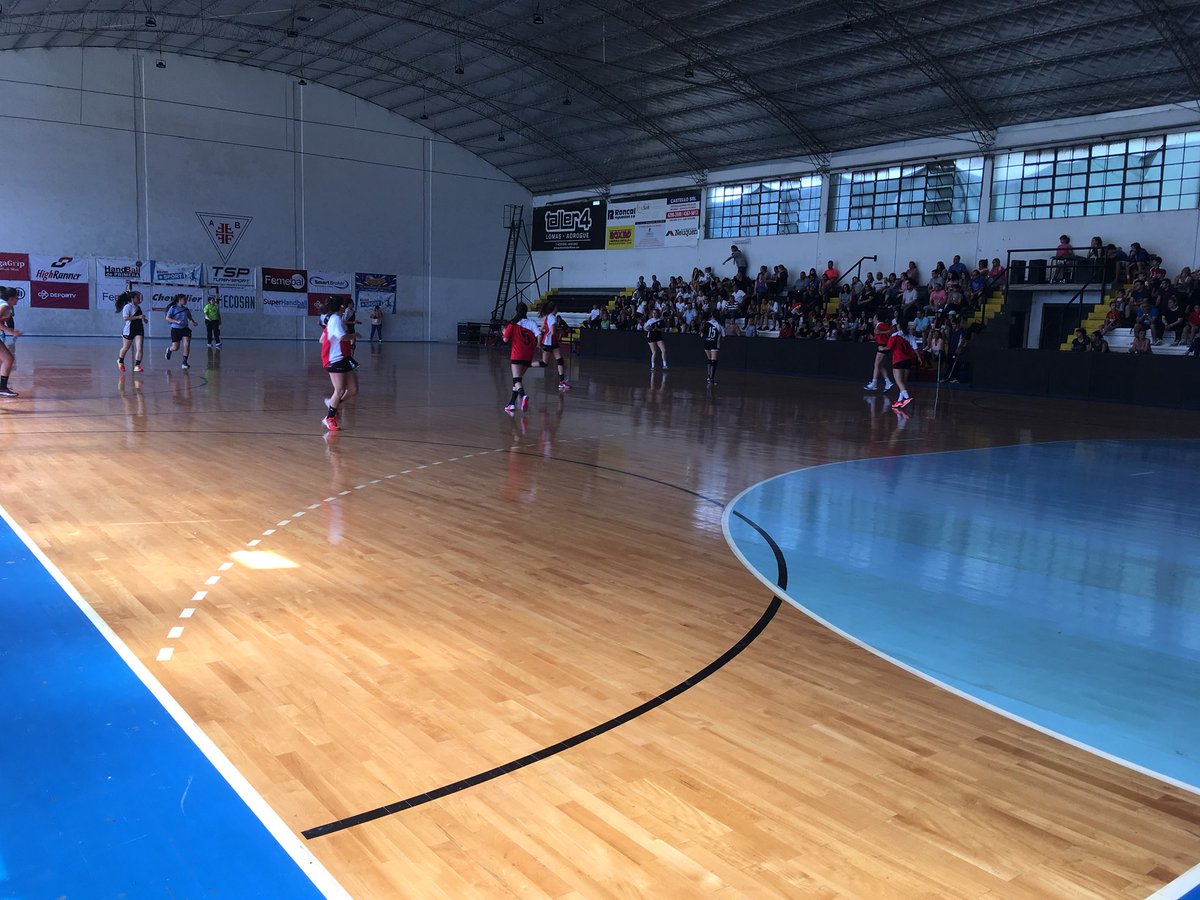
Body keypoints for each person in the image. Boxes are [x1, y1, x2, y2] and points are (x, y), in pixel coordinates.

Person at [319, 296, 358, 431]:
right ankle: (329, 418)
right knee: (340, 390)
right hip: (335, 359)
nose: (345, 307)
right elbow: (342, 337)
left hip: (344, 357)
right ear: (341, 306)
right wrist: (354, 335)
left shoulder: (335, 320)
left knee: (353, 390)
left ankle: (332, 404)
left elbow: (322, 339)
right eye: (343, 305)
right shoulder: (335, 320)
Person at [501, 302, 539, 413]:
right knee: (518, 380)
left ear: (516, 311)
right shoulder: (532, 323)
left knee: (516, 379)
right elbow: (538, 335)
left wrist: (504, 332)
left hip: (517, 354)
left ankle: (523, 395)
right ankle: (511, 404)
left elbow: (505, 339)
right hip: (528, 355)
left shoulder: (512, 324)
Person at [535, 300, 570, 391]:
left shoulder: (548, 317)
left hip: (552, 342)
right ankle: (527, 365)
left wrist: (546, 331)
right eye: (556, 307)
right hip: (548, 342)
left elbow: (542, 328)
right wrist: (559, 331)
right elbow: (553, 332)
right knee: (544, 363)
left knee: (560, 360)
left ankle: (562, 382)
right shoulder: (552, 318)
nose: (557, 308)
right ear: (554, 308)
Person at [886, 323, 917, 409]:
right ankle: (900, 400)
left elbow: (889, 347)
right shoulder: (909, 335)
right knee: (903, 381)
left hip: (898, 359)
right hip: (908, 360)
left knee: (898, 381)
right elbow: (915, 348)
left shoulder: (895, 335)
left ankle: (907, 398)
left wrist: (881, 349)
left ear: (898, 326)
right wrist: (919, 358)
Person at [116, 290, 147, 373]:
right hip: (129, 330)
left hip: (139, 329)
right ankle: (120, 361)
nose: (139, 299)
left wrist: (144, 319)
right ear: (133, 298)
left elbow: (139, 317)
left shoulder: (138, 307)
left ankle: (137, 365)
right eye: (137, 297)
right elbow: (125, 318)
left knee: (139, 348)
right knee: (126, 348)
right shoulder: (128, 307)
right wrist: (138, 317)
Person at [164, 294, 197, 369]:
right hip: (175, 329)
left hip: (185, 329)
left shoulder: (186, 309)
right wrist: (176, 321)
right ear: (179, 299)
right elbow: (167, 318)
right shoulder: (173, 308)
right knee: (176, 348)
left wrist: (193, 322)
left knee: (187, 344)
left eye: (186, 299)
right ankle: (169, 350)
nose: (186, 301)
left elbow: (189, 318)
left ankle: (184, 362)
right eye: (184, 299)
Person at [864, 312, 895, 392]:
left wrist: (880, 332)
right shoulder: (878, 326)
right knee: (880, 365)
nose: (873, 317)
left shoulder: (880, 325)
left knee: (877, 364)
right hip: (882, 345)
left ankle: (874, 383)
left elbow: (891, 331)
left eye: (874, 316)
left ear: (877, 317)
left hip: (883, 346)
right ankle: (888, 382)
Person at [0, 287, 22, 397]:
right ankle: (2, 388)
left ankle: (2, 387)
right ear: (10, 298)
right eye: (16, 298)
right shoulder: (4, 306)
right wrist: (11, 332)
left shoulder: (3, 303)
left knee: (7, 359)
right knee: (8, 359)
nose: (17, 300)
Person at [701, 308, 722, 384]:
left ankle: (709, 377)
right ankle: (711, 379)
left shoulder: (707, 323)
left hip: (707, 342)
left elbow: (702, 334)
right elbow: (723, 335)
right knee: (714, 361)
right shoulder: (719, 325)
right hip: (714, 343)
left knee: (709, 360)